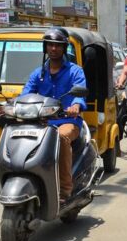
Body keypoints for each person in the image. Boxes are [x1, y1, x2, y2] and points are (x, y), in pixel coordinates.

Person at [20, 27, 87, 203]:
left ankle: (65, 190)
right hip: (42, 122)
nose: (53, 48)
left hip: (67, 121)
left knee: (61, 137)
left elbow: (80, 95)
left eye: (57, 45)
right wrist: (12, 106)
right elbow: (25, 94)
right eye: (50, 45)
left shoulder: (75, 71)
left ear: (64, 48)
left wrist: (75, 105)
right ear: (46, 47)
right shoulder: (37, 73)